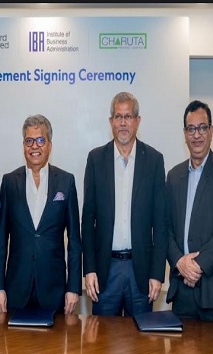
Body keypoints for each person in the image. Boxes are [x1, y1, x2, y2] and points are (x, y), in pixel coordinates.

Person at [82, 92, 167, 317]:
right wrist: (89, 269)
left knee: (141, 337)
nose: (122, 123)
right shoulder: (96, 159)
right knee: (101, 336)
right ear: (111, 121)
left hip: (141, 271)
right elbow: (87, 220)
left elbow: (161, 223)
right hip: (105, 270)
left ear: (138, 121)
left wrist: (157, 273)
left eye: (128, 117)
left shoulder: (154, 161)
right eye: (118, 117)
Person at [0, 115, 82, 315]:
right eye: (29, 141)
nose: (35, 146)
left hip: (54, 290)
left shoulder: (66, 181)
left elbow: (75, 241)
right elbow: (1, 240)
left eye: (41, 140)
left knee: (56, 337)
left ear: (50, 145)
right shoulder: (9, 182)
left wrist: (74, 288)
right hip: (16, 288)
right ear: (23, 145)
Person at [165, 100, 213, 322]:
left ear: (211, 131)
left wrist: (198, 266)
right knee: (179, 347)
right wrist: (180, 261)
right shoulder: (174, 176)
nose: (197, 135)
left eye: (202, 128)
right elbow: (165, 227)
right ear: (185, 134)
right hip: (182, 289)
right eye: (191, 129)